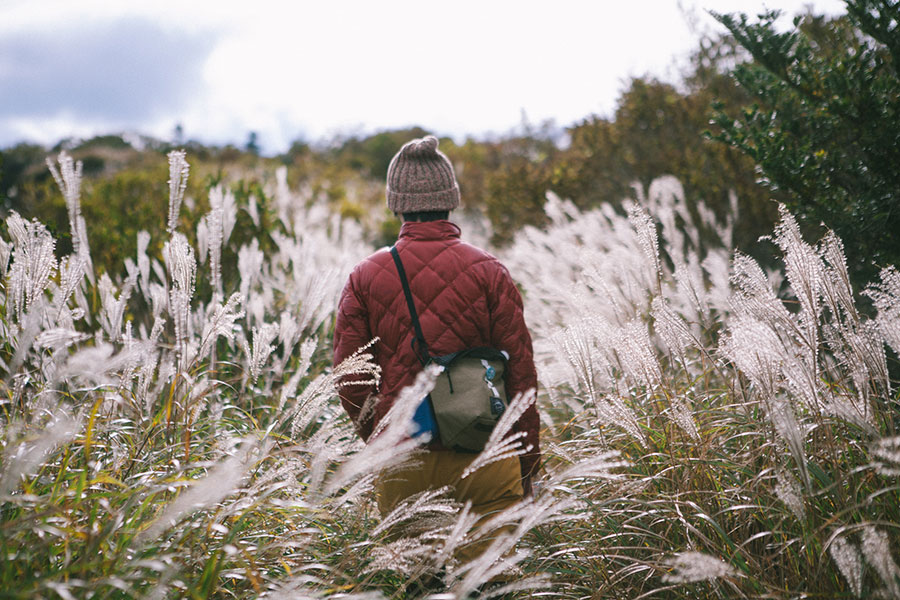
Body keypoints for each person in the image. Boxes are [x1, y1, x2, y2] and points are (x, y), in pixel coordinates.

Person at [332, 135, 541, 547]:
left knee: (416, 584)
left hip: (403, 459)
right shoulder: (489, 270)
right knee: (487, 585)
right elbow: (521, 374)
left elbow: (349, 378)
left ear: (397, 204)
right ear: (451, 199)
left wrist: (384, 434)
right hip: (485, 451)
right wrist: (528, 463)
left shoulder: (365, 276)